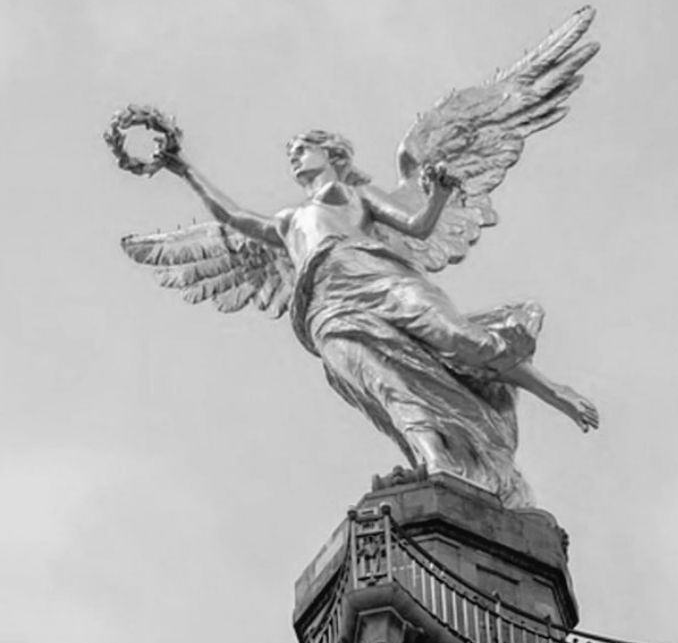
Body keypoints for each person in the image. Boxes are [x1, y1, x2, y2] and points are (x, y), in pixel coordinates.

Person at [160, 129, 599, 505]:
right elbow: (231, 216)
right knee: (384, 383)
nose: (293, 156)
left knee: (457, 337)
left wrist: (440, 194)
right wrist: (182, 169)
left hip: (378, 275)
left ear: (332, 154)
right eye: (291, 152)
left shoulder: (356, 195)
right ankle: (436, 460)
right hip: (326, 307)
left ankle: (554, 392)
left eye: (301, 148)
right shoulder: (287, 220)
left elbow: (418, 225)